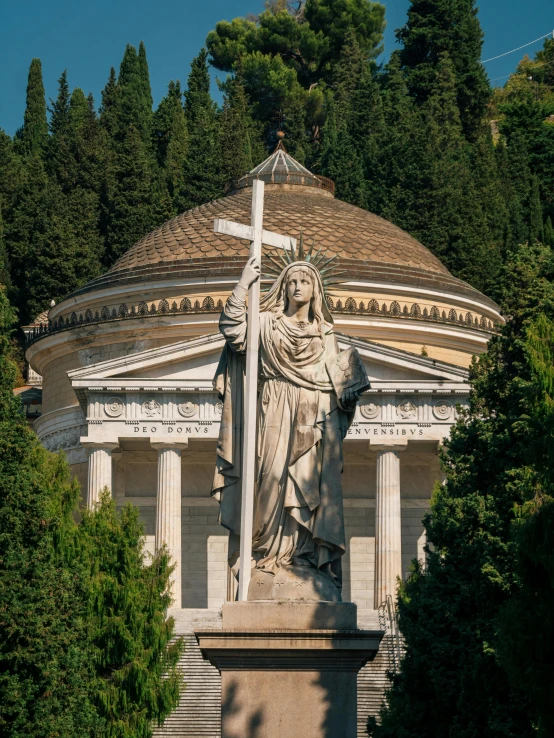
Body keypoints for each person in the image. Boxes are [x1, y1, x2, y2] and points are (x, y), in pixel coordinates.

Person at [212, 255, 359, 596]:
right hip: (273, 410)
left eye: (305, 281)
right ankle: (265, 557)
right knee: (271, 481)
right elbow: (233, 329)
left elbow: (337, 386)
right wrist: (244, 283)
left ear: (316, 289)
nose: (297, 287)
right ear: (283, 287)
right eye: (292, 281)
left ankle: (303, 559)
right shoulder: (265, 324)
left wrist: (347, 398)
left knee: (308, 490)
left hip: (311, 417)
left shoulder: (326, 335)